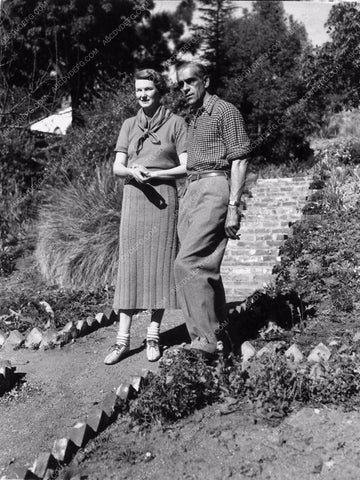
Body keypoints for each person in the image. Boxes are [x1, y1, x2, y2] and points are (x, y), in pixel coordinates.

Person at [104, 69, 187, 365]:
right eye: (138, 90)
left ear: (159, 91)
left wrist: (157, 173)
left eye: (148, 89)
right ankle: (122, 341)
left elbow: (186, 167)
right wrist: (132, 171)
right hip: (134, 199)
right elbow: (117, 166)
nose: (142, 95)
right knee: (130, 266)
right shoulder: (129, 124)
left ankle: (153, 334)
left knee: (160, 266)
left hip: (163, 199)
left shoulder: (176, 123)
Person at [174, 62, 251, 357]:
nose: (185, 88)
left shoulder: (225, 111)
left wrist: (233, 206)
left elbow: (240, 159)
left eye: (190, 81)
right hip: (191, 190)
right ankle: (220, 337)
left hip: (214, 188)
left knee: (188, 263)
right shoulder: (193, 116)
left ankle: (205, 340)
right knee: (205, 269)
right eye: (181, 84)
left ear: (206, 80)